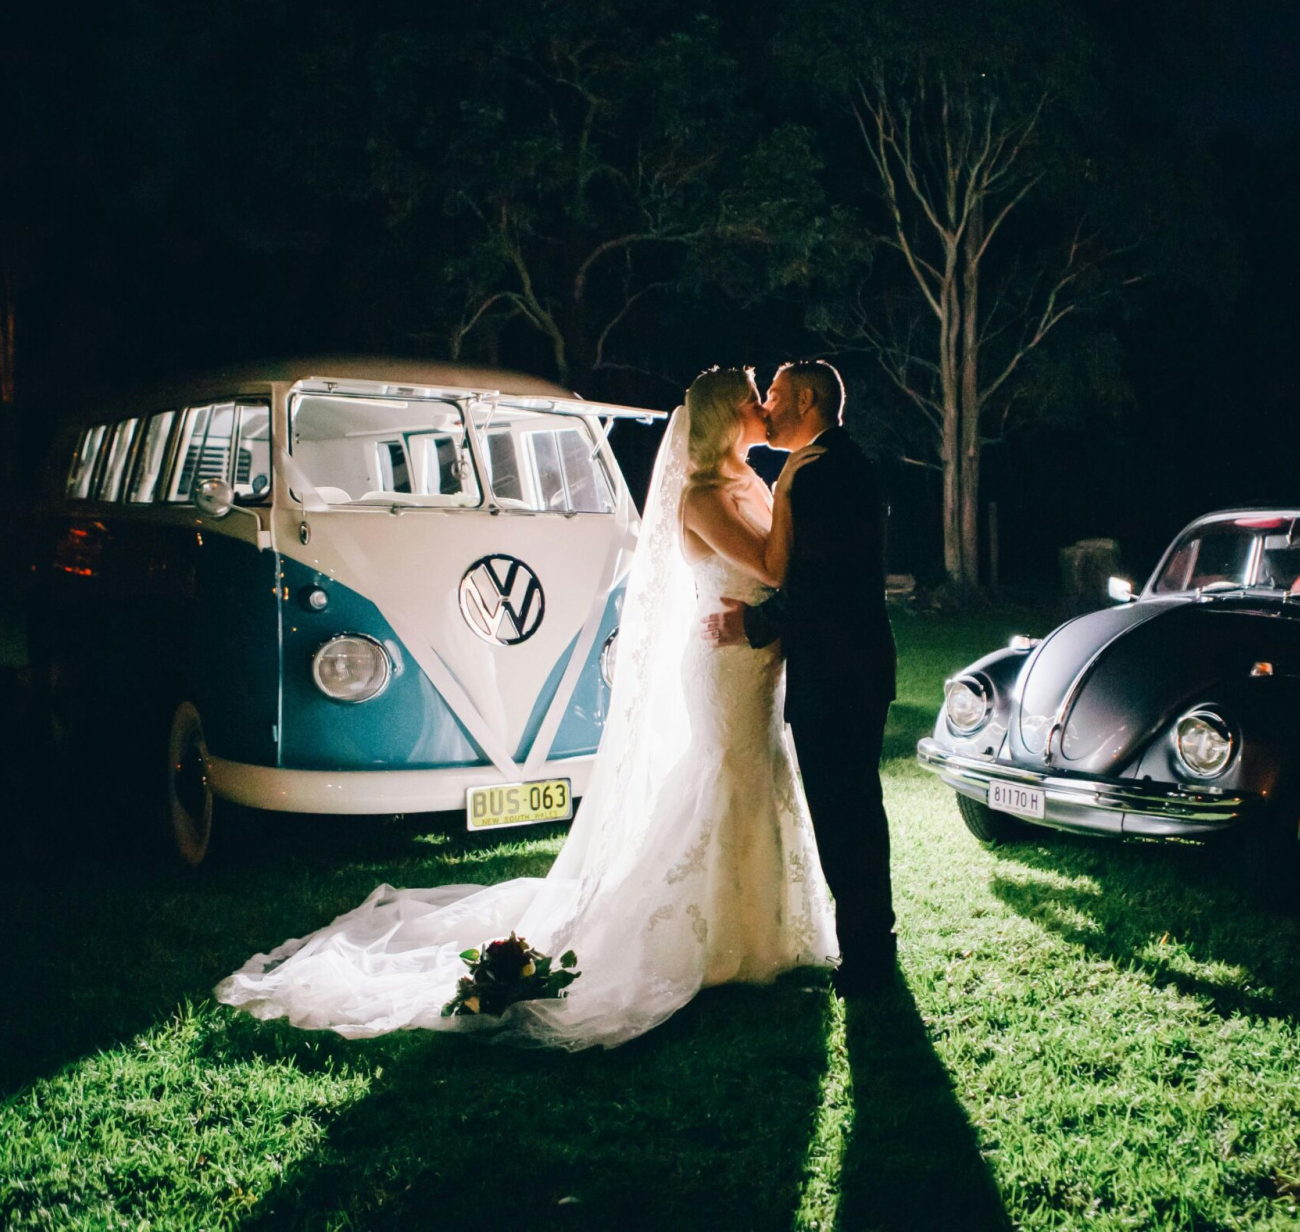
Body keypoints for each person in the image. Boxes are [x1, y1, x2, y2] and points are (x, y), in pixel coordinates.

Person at [214, 367, 837, 1047]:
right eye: (754, 399)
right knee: (729, 772)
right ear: (727, 416)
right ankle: (721, 941)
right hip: (725, 666)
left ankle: (764, 930)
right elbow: (777, 568)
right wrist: (797, 488)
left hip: (756, 661)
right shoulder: (705, 496)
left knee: (756, 770)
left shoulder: (747, 481)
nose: (763, 408)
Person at [705, 360, 899, 997]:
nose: (767, 407)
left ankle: (868, 957)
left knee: (848, 817)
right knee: (852, 814)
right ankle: (871, 947)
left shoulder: (820, 473)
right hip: (846, 669)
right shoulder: (823, 465)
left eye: (778, 395)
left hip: (839, 673)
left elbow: (820, 584)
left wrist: (755, 625)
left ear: (807, 399)